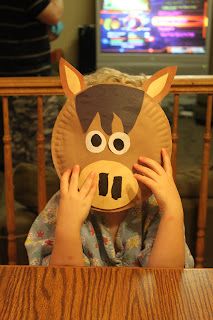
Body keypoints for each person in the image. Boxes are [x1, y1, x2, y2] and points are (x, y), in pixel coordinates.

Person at [25, 67, 194, 268]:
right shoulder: (63, 205)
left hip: (143, 300)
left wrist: (172, 212)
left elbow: (167, 278)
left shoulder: (155, 207)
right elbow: (60, 282)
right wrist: (67, 227)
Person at [0, 0, 64, 167]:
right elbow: (54, 15)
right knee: (40, 154)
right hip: (29, 83)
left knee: (17, 152)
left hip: (13, 81)